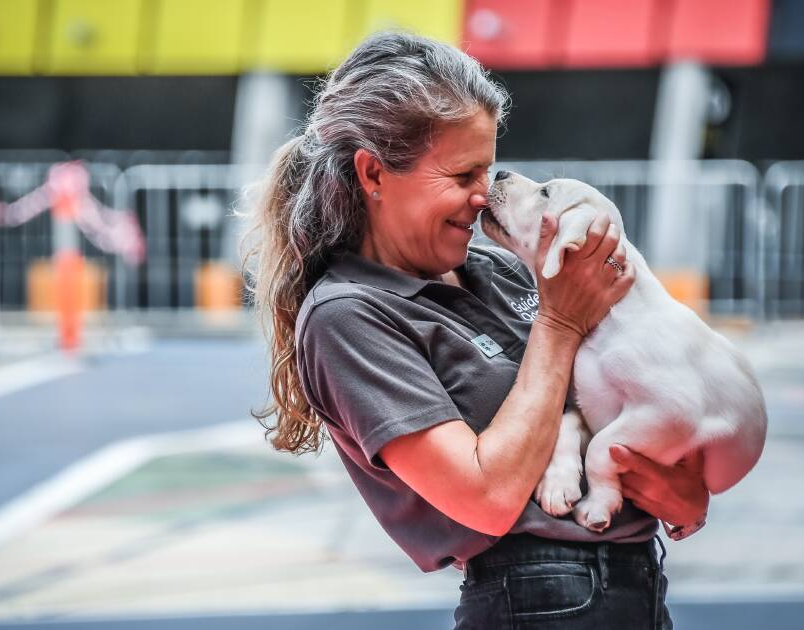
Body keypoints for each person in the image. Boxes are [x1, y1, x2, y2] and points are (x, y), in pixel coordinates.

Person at [243, 31, 709, 629]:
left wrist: (679, 488)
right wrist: (561, 321)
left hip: (633, 584)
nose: (484, 196)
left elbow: (629, 407)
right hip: (540, 599)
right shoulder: (347, 315)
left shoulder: (493, 266)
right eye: (462, 174)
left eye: (487, 169)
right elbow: (486, 497)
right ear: (373, 174)